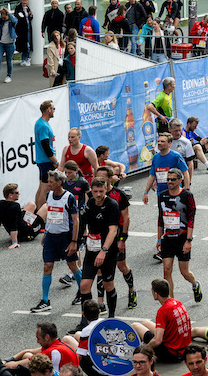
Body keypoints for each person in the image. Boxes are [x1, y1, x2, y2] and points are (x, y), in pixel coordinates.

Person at [30, 169, 81, 314]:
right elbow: (50, 215)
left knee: (72, 265)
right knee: (47, 266)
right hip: (51, 237)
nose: (49, 184)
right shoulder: (49, 195)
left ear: (59, 183)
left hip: (65, 237)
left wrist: (74, 241)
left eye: (51, 182)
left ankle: (82, 291)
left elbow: (75, 220)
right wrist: (46, 232)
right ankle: (45, 301)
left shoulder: (69, 197)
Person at [76, 175, 121, 322]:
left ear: (106, 189)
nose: (98, 194)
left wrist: (104, 250)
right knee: (84, 285)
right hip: (91, 250)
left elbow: (113, 230)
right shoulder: (89, 205)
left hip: (107, 251)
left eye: (101, 191)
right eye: (95, 191)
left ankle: (112, 317)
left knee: (108, 285)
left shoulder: (112, 204)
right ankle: (85, 321)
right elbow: (83, 226)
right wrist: (77, 243)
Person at [155, 169, 201, 303]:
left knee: (184, 272)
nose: (169, 182)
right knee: (166, 270)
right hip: (167, 238)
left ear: (180, 180)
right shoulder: (162, 196)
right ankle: (171, 302)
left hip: (182, 238)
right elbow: (160, 218)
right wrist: (159, 238)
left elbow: (191, 218)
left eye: (172, 179)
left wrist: (189, 240)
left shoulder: (187, 196)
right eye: (168, 179)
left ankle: (194, 284)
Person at [136, 278, 192, 364]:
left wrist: (144, 349)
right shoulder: (177, 302)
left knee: (136, 325)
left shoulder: (163, 311)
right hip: (183, 349)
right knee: (145, 322)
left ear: (156, 294)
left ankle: (140, 355)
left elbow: (157, 341)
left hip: (171, 353)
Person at [33, 100, 59, 209]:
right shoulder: (43, 125)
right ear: (48, 110)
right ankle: (41, 214)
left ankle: (38, 211)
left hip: (43, 161)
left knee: (41, 187)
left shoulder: (41, 123)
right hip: (46, 161)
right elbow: (45, 146)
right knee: (45, 188)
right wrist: (55, 161)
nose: (54, 111)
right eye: (53, 109)